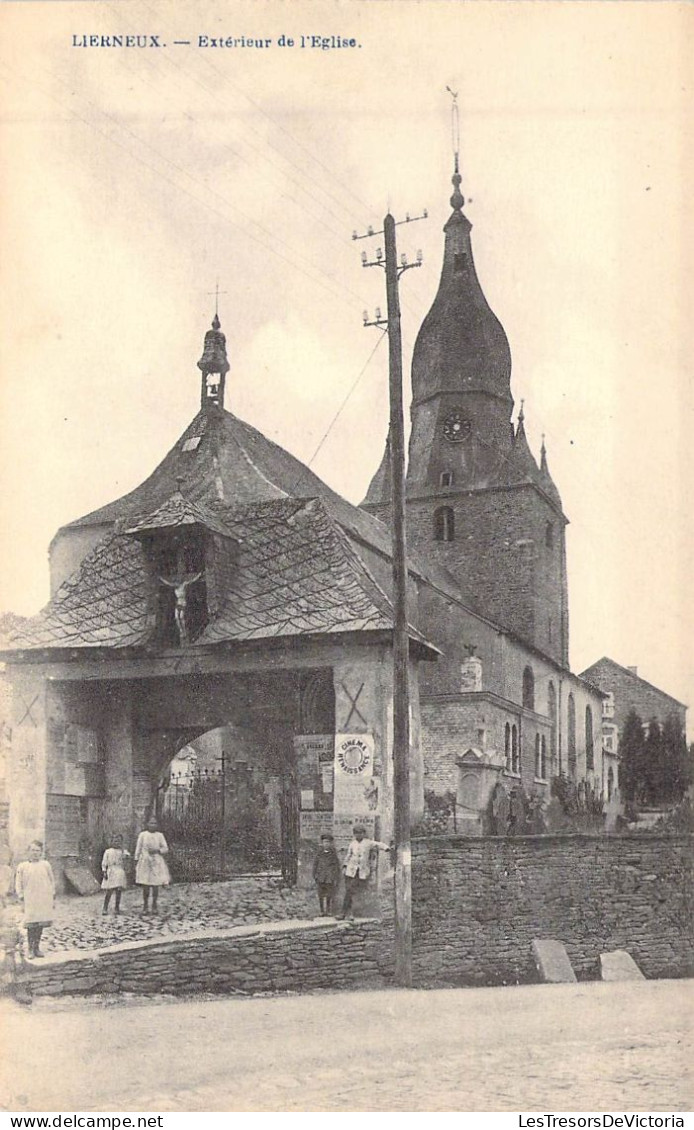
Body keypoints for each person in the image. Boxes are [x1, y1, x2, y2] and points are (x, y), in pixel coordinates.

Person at [339, 824, 391, 920]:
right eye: (357, 833)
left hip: (362, 871)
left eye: (361, 833)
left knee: (352, 892)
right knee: (349, 891)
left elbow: (378, 844)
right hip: (351, 871)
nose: (359, 835)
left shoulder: (368, 843)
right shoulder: (352, 844)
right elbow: (348, 855)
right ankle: (346, 913)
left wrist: (386, 848)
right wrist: (345, 866)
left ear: (364, 834)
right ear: (354, 834)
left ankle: (347, 913)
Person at [14, 841, 55, 958]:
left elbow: (51, 880)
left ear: (41, 852)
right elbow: (18, 882)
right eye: (33, 850)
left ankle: (37, 947)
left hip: (43, 898)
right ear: (28, 852)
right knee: (31, 924)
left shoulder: (45, 864)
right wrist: (20, 895)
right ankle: (30, 949)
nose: (35, 853)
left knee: (40, 924)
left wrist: (52, 894)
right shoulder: (22, 866)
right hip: (30, 898)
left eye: (37, 850)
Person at [134, 816, 170, 914]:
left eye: (155, 823)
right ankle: (145, 906)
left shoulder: (160, 835)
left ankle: (154, 905)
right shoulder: (143, 835)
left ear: (157, 825)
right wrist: (136, 860)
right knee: (145, 885)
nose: (153, 825)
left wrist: (158, 850)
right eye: (151, 823)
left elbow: (165, 848)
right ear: (147, 824)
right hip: (145, 861)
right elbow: (138, 848)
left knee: (155, 885)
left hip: (156, 862)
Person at [0, 900, 32, 1005]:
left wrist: (19, 946)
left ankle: (21, 989)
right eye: (8, 920)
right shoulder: (1, 931)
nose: (11, 922)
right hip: (5, 952)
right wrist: (3, 947)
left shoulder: (16, 931)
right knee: (7, 962)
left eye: (12, 920)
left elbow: (22, 941)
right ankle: (9, 987)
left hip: (14, 952)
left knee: (19, 964)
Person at [312, 833, 341, 916]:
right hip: (321, 877)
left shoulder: (333, 854)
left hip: (329, 877)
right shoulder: (319, 853)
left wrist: (335, 876)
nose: (326, 844)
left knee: (329, 894)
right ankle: (321, 911)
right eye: (324, 842)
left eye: (328, 842)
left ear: (331, 843)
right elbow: (315, 864)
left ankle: (328, 910)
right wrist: (315, 875)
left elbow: (336, 866)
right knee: (321, 894)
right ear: (322, 843)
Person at [101, 833, 130, 915]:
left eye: (118, 841)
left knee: (118, 890)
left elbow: (127, 858)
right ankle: (105, 907)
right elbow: (104, 862)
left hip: (119, 871)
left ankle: (117, 907)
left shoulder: (122, 851)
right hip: (111, 871)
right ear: (111, 842)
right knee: (109, 890)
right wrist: (104, 871)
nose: (116, 843)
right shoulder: (108, 851)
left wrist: (126, 856)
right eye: (114, 841)